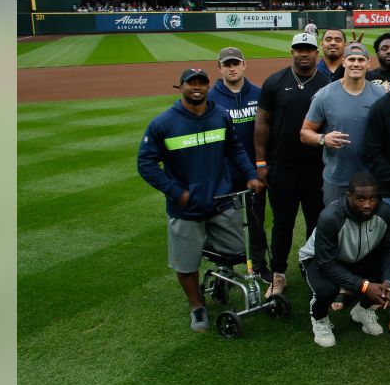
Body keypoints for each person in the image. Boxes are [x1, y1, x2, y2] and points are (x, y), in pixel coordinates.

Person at [137, 68, 264, 331]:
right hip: (186, 208)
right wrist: (177, 193)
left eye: (201, 83)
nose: (197, 88)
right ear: (180, 87)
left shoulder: (220, 115)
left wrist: (251, 174)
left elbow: (235, 148)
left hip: (220, 201)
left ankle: (219, 277)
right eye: (190, 83)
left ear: (209, 86)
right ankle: (197, 307)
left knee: (238, 252)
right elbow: (146, 163)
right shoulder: (163, 123)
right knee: (186, 263)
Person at [254, 33, 330, 298]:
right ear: (292, 52)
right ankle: (278, 274)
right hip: (282, 166)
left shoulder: (326, 82)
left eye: (309, 49)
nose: (304, 54)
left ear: (316, 53)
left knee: (316, 222)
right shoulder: (275, 81)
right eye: (299, 49)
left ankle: (314, 270)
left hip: (316, 168)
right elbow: (262, 123)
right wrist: (261, 161)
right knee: (282, 223)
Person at [297, 171, 390, 347]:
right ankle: (319, 319)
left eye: (372, 198)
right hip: (318, 260)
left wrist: (386, 282)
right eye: (360, 199)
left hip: (355, 258)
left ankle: (363, 310)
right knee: (326, 290)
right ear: (349, 197)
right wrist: (365, 286)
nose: (367, 205)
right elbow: (326, 263)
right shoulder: (330, 217)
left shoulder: (385, 212)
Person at [209, 46, 270, 281]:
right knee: (225, 224)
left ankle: (259, 265)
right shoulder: (211, 98)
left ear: (244, 65)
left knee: (255, 222)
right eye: (227, 64)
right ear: (220, 68)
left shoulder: (259, 93)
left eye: (236, 63)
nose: (232, 68)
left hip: (254, 172)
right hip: (223, 174)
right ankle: (226, 270)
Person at [301, 41, 383, 206]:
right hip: (337, 178)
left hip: (370, 177)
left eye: (361, 60)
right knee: (336, 226)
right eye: (351, 59)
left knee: (368, 228)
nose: (356, 64)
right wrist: (323, 139)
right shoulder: (324, 95)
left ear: (368, 64)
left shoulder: (380, 96)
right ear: (344, 62)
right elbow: (305, 133)